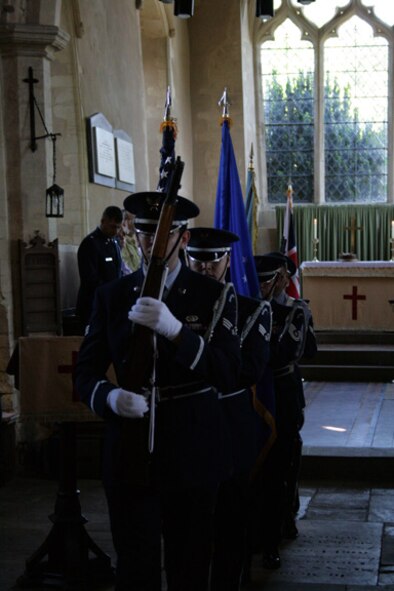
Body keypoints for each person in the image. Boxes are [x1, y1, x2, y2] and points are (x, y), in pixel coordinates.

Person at [73, 192, 241, 591]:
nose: (152, 244)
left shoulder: (214, 295)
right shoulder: (112, 295)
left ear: (182, 239)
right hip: (130, 452)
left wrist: (177, 332)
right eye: (144, 234)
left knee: (190, 564)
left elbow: (228, 372)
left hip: (192, 449)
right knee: (135, 567)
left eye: (162, 235)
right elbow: (84, 372)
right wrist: (110, 397)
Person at [186, 227, 272, 591]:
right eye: (198, 259)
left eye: (214, 260)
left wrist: (196, 360)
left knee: (231, 517)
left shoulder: (252, 311)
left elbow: (248, 369)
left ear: (227, 262)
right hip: (188, 429)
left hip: (230, 427)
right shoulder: (176, 307)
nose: (205, 268)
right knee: (188, 525)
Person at [252, 252, 317, 570]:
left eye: (268, 280)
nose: (262, 286)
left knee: (280, 465)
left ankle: (273, 534)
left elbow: (282, 354)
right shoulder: (245, 306)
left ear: (280, 280)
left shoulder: (295, 311)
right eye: (258, 279)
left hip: (282, 395)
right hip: (252, 396)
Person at [75, 206, 123, 330]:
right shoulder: (90, 243)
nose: (116, 231)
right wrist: (111, 290)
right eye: (113, 227)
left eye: (118, 227)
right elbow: (90, 279)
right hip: (93, 304)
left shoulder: (114, 243)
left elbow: (117, 272)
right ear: (103, 222)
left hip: (110, 303)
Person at [118, 208, 140, 275]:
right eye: (133, 220)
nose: (135, 223)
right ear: (123, 223)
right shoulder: (120, 243)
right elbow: (126, 269)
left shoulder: (134, 242)